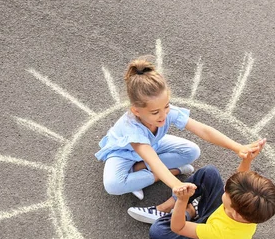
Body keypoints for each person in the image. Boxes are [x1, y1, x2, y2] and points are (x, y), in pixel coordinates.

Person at [95, 57, 262, 200]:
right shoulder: (132, 129)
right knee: (113, 185)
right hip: (123, 153)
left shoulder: (166, 113)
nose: (163, 115)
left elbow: (204, 130)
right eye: (155, 112)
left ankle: (137, 171)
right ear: (136, 111)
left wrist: (237, 147)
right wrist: (176, 184)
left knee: (192, 152)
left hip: (153, 145)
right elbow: (155, 162)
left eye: (166, 106)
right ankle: (172, 171)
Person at [127, 139, 275, 239]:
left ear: (234, 212)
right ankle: (169, 208)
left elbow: (178, 228)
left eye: (226, 194)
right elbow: (237, 183)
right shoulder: (248, 211)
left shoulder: (222, 232)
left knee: (158, 231)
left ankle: (187, 213)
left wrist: (182, 200)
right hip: (214, 222)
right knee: (209, 173)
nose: (224, 190)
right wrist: (247, 160)